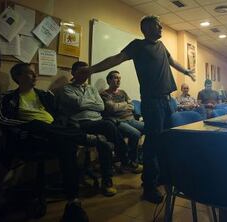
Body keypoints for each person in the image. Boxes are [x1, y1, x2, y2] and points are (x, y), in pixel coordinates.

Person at [72, 15, 195, 203]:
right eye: (157, 25)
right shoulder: (137, 45)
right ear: (146, 29)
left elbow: (171, 61)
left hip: (167, 101)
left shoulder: (161, 46)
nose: (161, 28)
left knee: (166, 140)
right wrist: (92, 69)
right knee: (153, 144)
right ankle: (149, 187)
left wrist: (185, 71)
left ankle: (162, 176)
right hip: (152, 102)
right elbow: (117, 58)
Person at [0, 63, 94, 221]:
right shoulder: (7, 97)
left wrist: (58, 127)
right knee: (38, 124)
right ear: (18, 77)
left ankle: (73, 203)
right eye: (30, 73)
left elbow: (60, 115)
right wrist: (27, 126)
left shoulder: (45, 95)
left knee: (67, 146)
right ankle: (82, 136)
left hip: (52, 136)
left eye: (35, 73)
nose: (35, 76)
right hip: (28, 138)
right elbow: (2, 120)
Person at [57, 61, 133, 197]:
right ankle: (125, 158)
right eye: (81, 71)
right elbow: (78, 103)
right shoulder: (66, 89)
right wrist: (90, 103)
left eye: (87, 72)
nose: (85, 74)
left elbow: (101, 107)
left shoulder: (91, 88)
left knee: (105, 141)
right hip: (81, 123)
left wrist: (85, 103)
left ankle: (107, 181)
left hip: (97, 122)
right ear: (73, 73)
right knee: (110, 124)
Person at [100, 70, 143, 173]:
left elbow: (132, 106)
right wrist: (124, 105)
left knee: (150, 128)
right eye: (115, 78)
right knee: (135, 134)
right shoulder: (104, 94)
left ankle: (140, 156)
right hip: (118, 122)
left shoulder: (123, 92)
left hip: (130, 119)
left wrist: (120, 106)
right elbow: (112, 108)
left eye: (119, 78)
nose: (118, 80)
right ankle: (131, 162)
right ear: (109, 80)